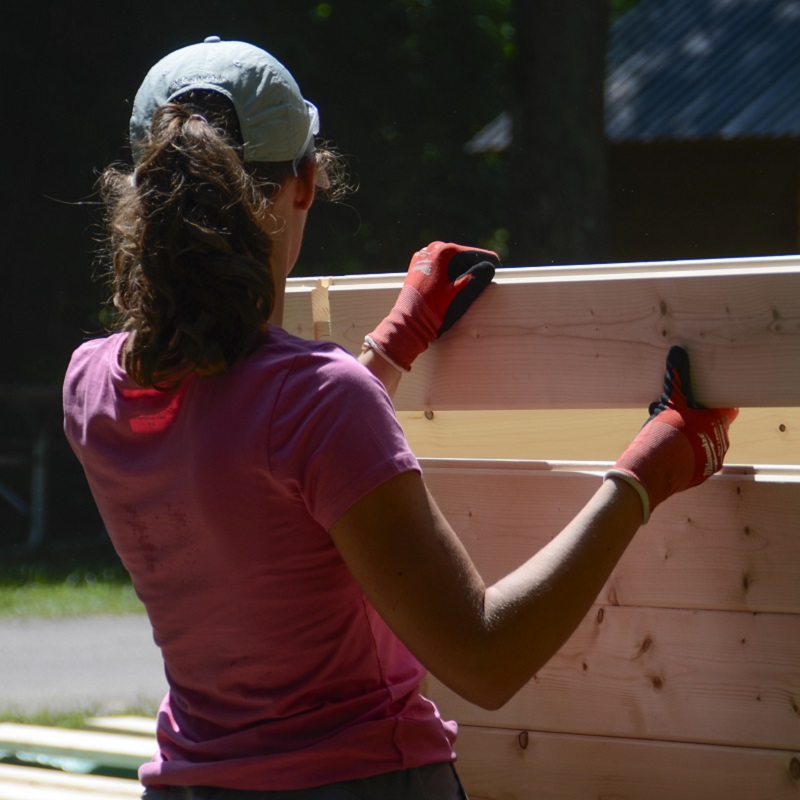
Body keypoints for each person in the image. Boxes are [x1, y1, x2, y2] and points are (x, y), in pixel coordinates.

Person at [62, 36, 738, 800]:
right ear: (306, 182)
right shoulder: (320, 400)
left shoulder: (91, 386)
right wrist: (645, 475)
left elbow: (251, 458)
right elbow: (486, 660)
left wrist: (389, 347)